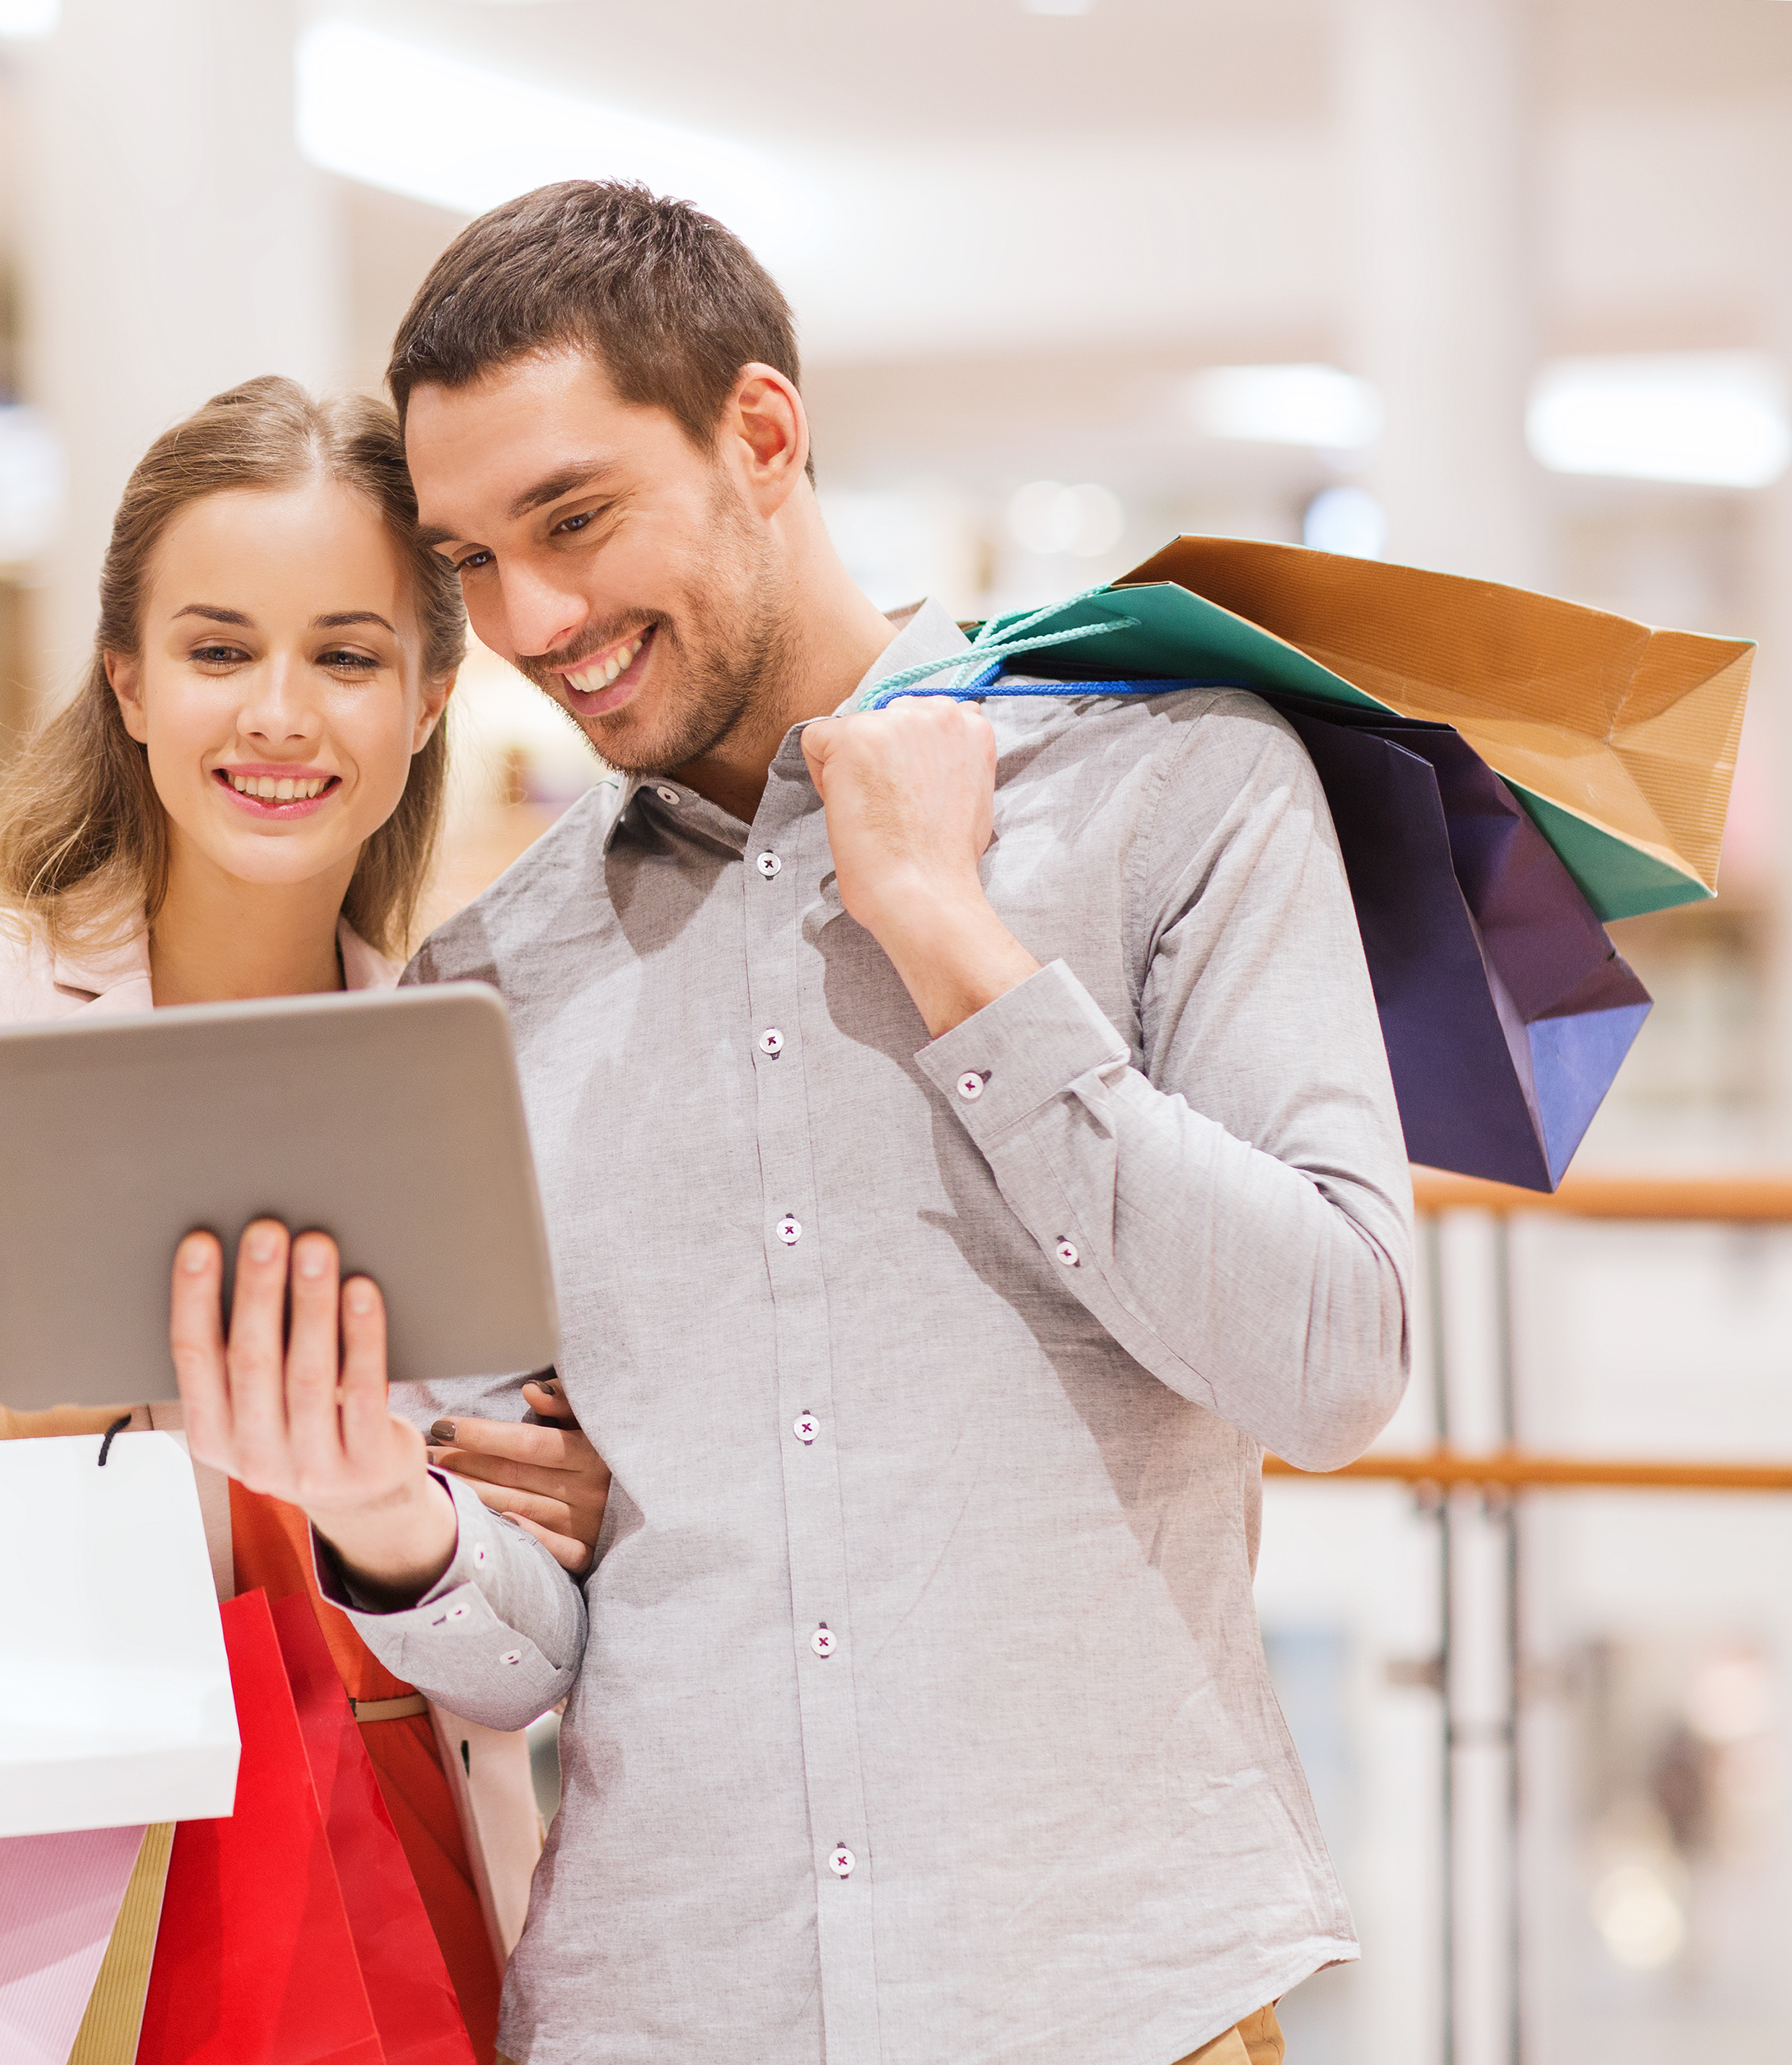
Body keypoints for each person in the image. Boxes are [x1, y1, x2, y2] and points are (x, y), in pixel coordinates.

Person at [165, 184, 1412, 2065]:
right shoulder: (493, 977)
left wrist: (955, 943)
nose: (535, 621)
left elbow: (1330, 1363)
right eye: (471, 561)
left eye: (572, 519)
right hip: (660, 2008)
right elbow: (538, 1643)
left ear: (762, 432)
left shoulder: (1171, 791)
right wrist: (376, 1510)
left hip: (1107, 1997)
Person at [0, 374, 614, 2062]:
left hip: (411, 1908)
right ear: (129, 679)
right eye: (220, 651)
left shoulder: (497, 1061)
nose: (279, 714)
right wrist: (54, 1385)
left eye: (349, 655)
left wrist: (396, 1511)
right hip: (27, 1909)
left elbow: (531, 1649)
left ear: (434, 694)